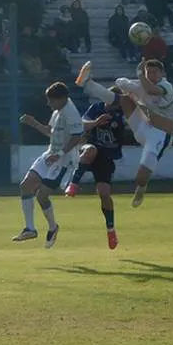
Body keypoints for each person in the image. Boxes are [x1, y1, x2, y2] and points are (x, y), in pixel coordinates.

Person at [76, 58, 173, 208]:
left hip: (160, 135)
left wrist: (137, 77)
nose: (151, 75)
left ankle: (141, 188)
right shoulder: (142, 85)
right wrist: (130, 86)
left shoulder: (165, 86)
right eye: (148, 72)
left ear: (162, 73)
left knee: (140, 179)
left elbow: (150, 90)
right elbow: (120, 82)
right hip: (144, 128)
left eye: (155, 72)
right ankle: (87, 83)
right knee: (123, 100)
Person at [13, 82, 84, 248]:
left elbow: (77, 137)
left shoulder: (71, 113)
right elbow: (50, 132)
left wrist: (59, 154)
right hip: (50, 154)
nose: (48, 104)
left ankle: (53, 227)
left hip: (64, 160)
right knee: (26, 186)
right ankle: (30, 229)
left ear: (63, 99)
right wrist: (34, 123)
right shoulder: (58, 111)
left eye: (51, 101)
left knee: (41, 195)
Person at [64, 87, 126, 250]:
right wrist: (96, 122)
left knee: (105, 195)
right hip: (90, 147)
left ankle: (111, 230)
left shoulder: (122, 113)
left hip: (106, 156)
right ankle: (73, 183)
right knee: (91, 150)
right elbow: (82, 124)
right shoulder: (97, 108)